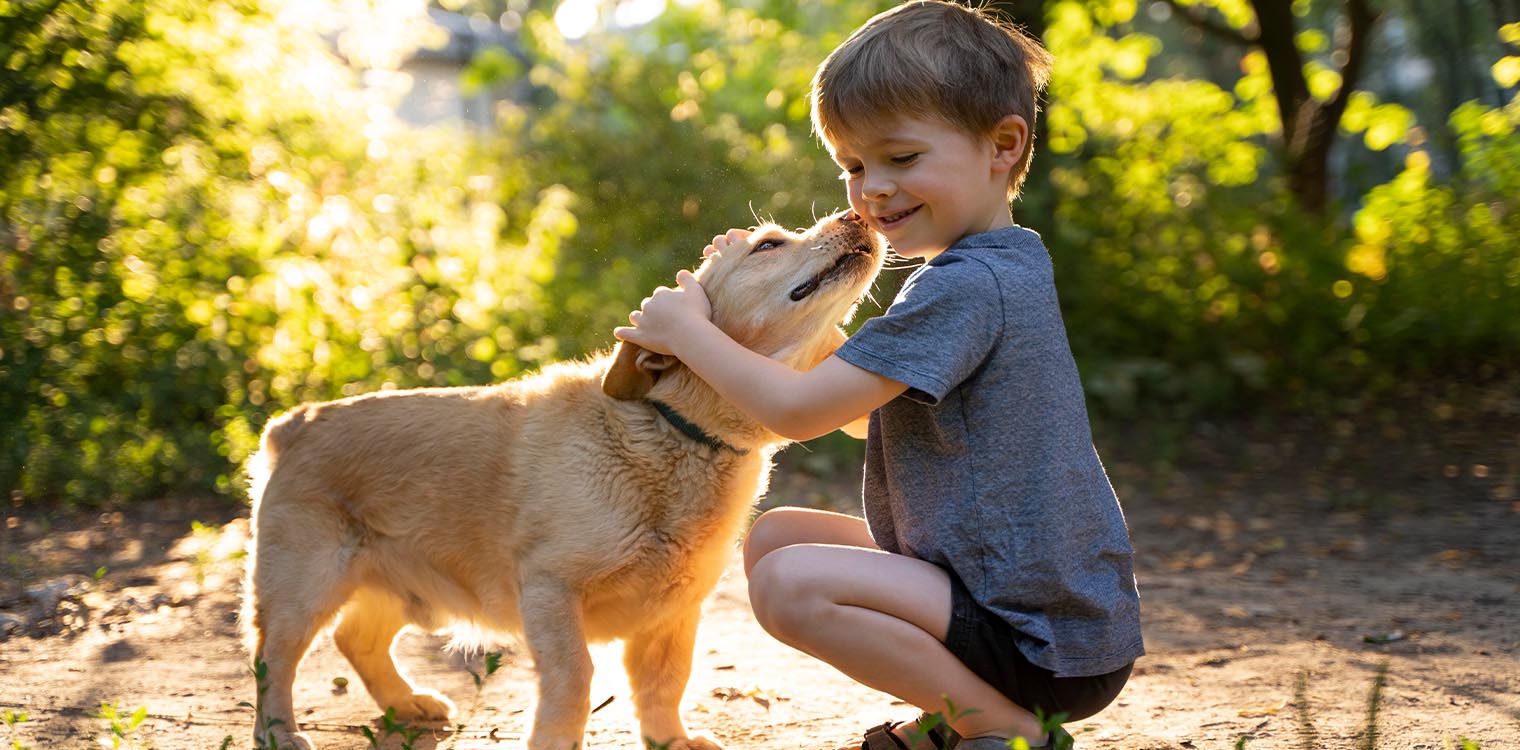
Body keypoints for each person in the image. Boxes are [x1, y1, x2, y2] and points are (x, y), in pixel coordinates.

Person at [612, 2, 1142, 748]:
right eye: (855, 166)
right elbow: (868, 409)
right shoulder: (999, 265)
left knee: (790, 585)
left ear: (1003, 145)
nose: (874, 189)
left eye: (901, 158)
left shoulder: (965, 286)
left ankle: (1009, 728)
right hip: (1025, 600)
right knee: (776, 537)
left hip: (1039, 636)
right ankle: (958, 719)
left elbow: (800, 414)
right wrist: (763, 287)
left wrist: (691, 334)